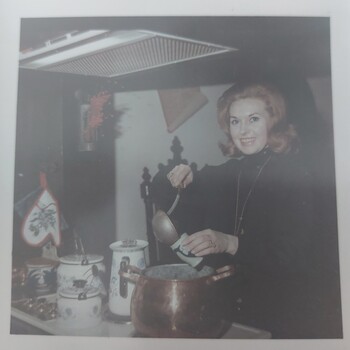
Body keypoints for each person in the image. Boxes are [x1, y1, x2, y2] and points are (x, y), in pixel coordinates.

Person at [155, 80, 340, 338]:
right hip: (237, 307)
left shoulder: (296, 176)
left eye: (253, 119)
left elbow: (292, 258)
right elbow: (162, 187)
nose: (243, 131)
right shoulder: (235, 170)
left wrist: (229, 243)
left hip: (283, 316)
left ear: (273, 121)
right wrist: (182, 173)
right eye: (235, 121)